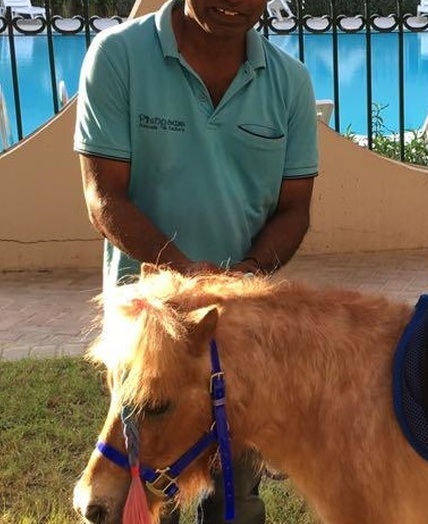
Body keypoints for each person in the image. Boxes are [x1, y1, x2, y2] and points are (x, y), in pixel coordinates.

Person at [73, 0, 319, 519]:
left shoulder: (289, 81)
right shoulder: (118, 57)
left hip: (235, 330)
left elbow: (295, 209)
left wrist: (245, 278)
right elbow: (104, 199)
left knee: (235, 494)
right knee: (142, 480)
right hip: (151, 328)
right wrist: (185, 274)